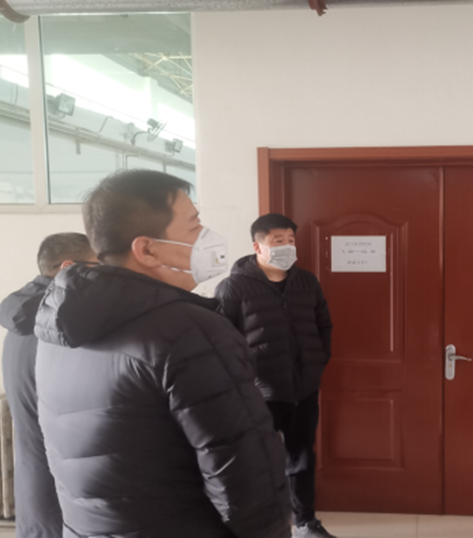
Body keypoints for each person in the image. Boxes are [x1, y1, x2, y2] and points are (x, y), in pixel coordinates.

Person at [34, 170, 290, 538]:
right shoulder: (190, 330)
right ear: (147, 249)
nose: (206, 237)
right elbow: (244, 474)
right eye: (194, 226)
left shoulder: (57, 331)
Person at [215, 213, 334, 538]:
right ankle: (258, 526)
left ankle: (305, 522)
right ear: (258, 246)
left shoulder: (306, 281)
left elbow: (323, 324)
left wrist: (318, 362)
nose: (287, 246)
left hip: (303, 389)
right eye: (278, 241)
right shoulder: (233, 287)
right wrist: (242, 378)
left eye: (291, 240)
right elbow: (222, 339)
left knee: (302, 458)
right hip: (258, 392)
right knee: (254, 460)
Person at [0, 233, 97, 538]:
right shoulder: (57, 327)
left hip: (36, 490)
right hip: (61, 492)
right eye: (98, 266)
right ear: (68, 267)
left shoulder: (26, 317)